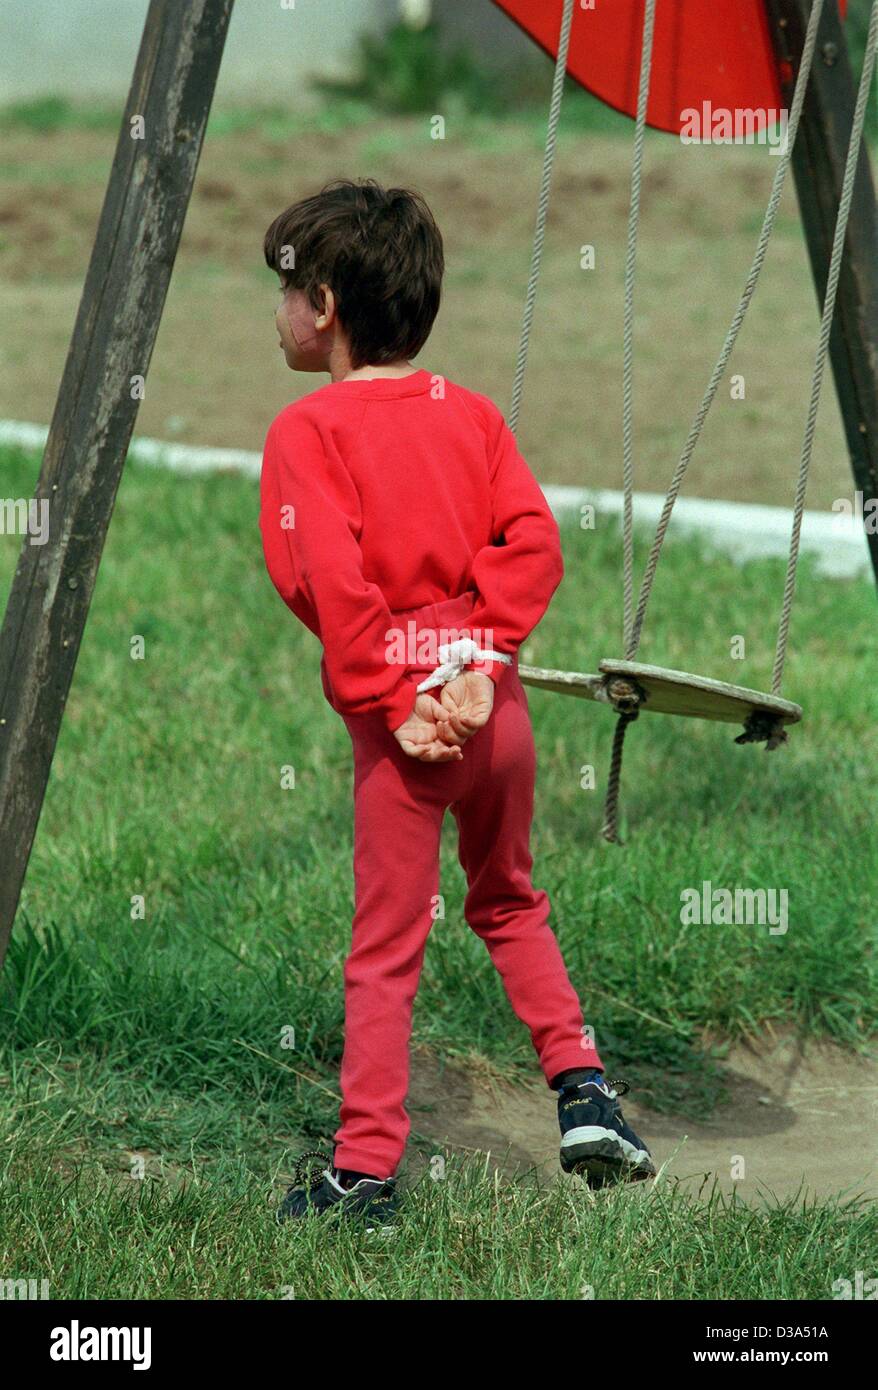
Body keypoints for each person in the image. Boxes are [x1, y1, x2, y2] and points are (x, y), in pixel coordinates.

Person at [258, 179, 655, 1224]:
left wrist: (398, 699)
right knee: (508, 898)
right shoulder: (470, 414)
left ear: (328, 304)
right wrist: (479, 657)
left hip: (408, 739)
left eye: (285, 287)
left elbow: (331, 589)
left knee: (387, 944)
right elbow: (533, 544)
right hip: (498, 717)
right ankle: (584, 1093)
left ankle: (364, 1174)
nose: (278, 308)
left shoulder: (308, 432)